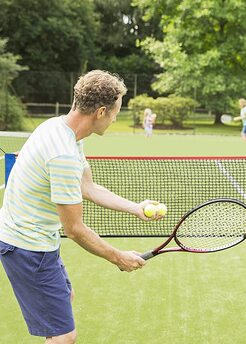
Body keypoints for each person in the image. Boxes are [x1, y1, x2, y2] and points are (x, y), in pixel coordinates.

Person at [0, 70, 164, 343]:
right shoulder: (63, 154)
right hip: (26, 246)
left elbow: (87, 187)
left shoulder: (59, 129)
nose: (114, 119)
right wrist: (118, 256)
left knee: (66, 297)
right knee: (65, 337)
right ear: (101, 111)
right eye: (115, 113)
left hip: (37, 239)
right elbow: (75, 229)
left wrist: (135, 207)